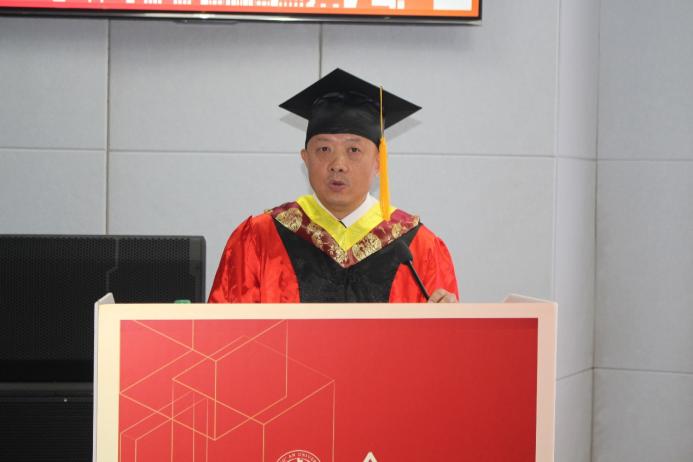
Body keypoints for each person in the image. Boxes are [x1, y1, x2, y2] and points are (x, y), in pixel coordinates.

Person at [208, 69, 458, 303]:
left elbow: (444, 334)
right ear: (305, 159)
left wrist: (450, 325)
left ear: (379, 163)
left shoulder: (419, 247)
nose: (338, 164)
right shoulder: (260, 238)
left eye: (354, 150)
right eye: (324, 149)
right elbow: (227, 330)